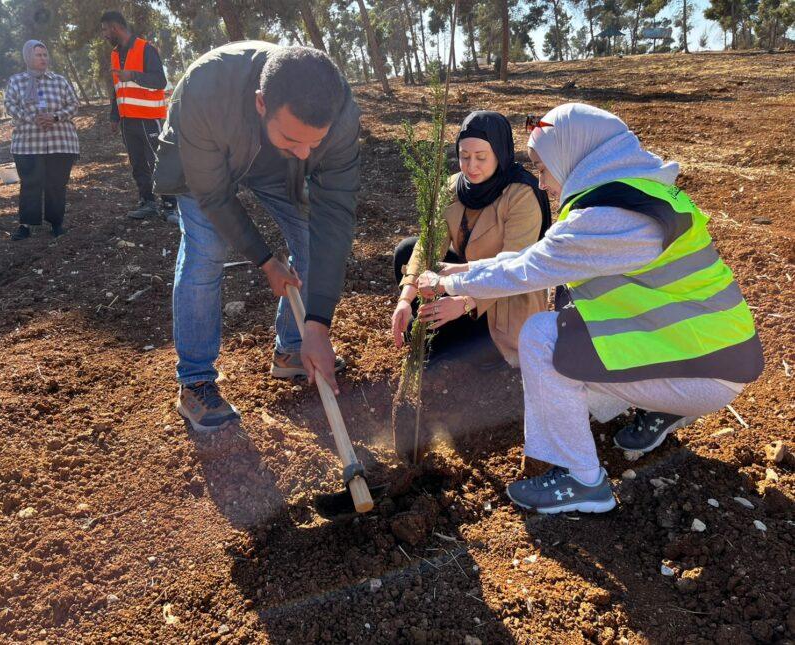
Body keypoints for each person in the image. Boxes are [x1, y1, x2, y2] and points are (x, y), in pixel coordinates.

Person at [417, 103, 763, 514]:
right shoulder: (637, 191)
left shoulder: (608, 217)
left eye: (544, 168)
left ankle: (582, 479)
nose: (542, 182)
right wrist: (471, 268)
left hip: (706, 372)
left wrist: (453, 282)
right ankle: (663, 405)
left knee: (542, 338)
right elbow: (545, 255)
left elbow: (530, 267)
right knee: (573, 309)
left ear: (573, 154)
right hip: (712, 350)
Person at [153, 42, 360, 448]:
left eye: (313, 144)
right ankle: (195, 382)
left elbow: (333, 218)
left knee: (308, 236)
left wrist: (319, 321)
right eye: (294, 137)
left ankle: (292, 349)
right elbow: (213, 197)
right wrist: (266, 262)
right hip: (205, 158)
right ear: (262, 103)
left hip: (273, 166)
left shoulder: (339, 114)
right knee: (205, 251)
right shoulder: (206, 89)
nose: (306, 151)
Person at [391, 111, 551, 368]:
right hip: (466, 281)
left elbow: (513, 269)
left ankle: (479, 348)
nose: (471, 166)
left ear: (500, 152)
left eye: (481, 157)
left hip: (503, 298)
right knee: (406, 250)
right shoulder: (454, 186)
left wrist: (464, 303)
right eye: (464, 157)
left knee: (447, 353)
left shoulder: (521, 194)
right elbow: (430, 243)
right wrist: (405, 300)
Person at [101, 10, 177, 223]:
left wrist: (133, 75)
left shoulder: (146, 49)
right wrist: (114, 116)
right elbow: (118, 88)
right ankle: (147, 203)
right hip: (127, 121)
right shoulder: (115, 54)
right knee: (138, 164)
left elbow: (160, 81)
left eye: (106, 30)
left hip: (148, 117)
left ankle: (171, 205)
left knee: (158, 161)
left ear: (115, 27)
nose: (104, 35)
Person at [4, 40, 80, 240]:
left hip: (60, 141)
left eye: (45, 55)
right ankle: (25, 225)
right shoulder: (17, 81)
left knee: (56, 183)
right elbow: (9, 104)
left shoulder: (59, 81)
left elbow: (73, 104)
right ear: (28, 57)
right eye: (38, 55)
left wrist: (55, 117)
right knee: (30, 183)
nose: (43, 59)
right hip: (28, 142)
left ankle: (56, 224)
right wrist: (33, 118)